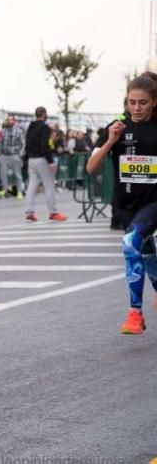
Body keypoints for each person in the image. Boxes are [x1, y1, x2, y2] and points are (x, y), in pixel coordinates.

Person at [86, 73, 157, 334]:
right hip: (126, 204)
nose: (136, 108)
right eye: (132, 102)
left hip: (154, 202)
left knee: (130, 244)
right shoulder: (116, 128)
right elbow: (91, 167)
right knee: (146, 254)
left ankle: (135, 315)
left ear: (154, 102)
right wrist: (111, 142)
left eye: (143, 102)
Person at [24, 107, 67, 222]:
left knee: (32, 187)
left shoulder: (30, 127)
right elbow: (44, 145)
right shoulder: (45, 128)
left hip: (31, 159)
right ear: (44, 114)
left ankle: (29, 212)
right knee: (49, 186)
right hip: (42, 159)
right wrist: (51, 161)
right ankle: (53, 212)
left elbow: (27, 144)